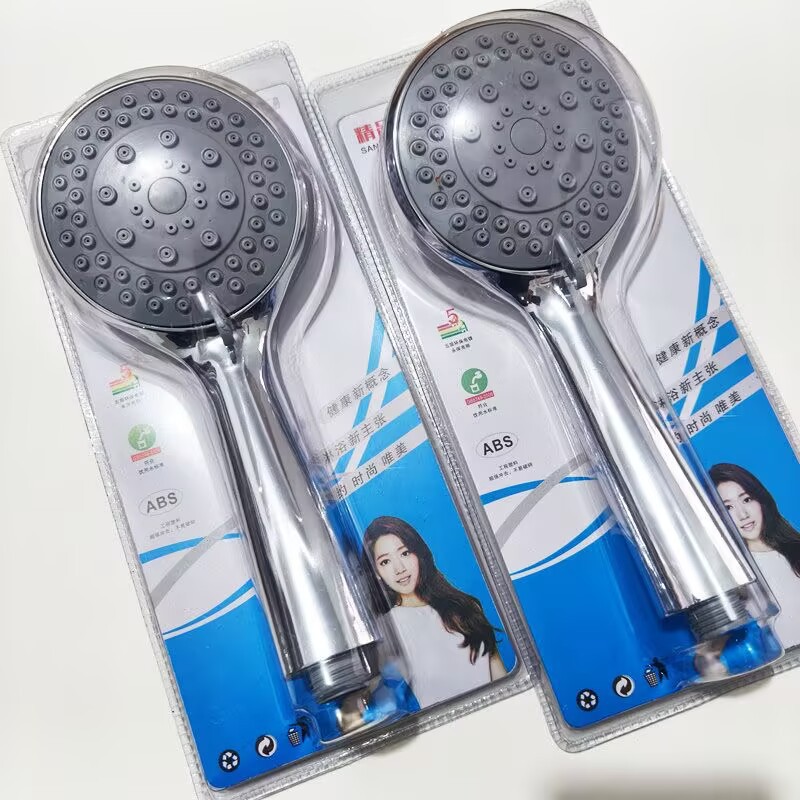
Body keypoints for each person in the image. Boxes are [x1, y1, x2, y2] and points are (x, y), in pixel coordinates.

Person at [362, 516, 507, 708]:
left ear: (418, 554)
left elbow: (501, 677)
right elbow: (379, 695)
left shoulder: (465, 607)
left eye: (404, 553)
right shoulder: (387, 627)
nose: (399, 568)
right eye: (385, 561)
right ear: (376, 573)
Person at [710, 463, 800, 646]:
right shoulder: (734, 574)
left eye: (746, 499)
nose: (743, 514)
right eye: (728, 507)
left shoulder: (793, 545)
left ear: (760, 499)